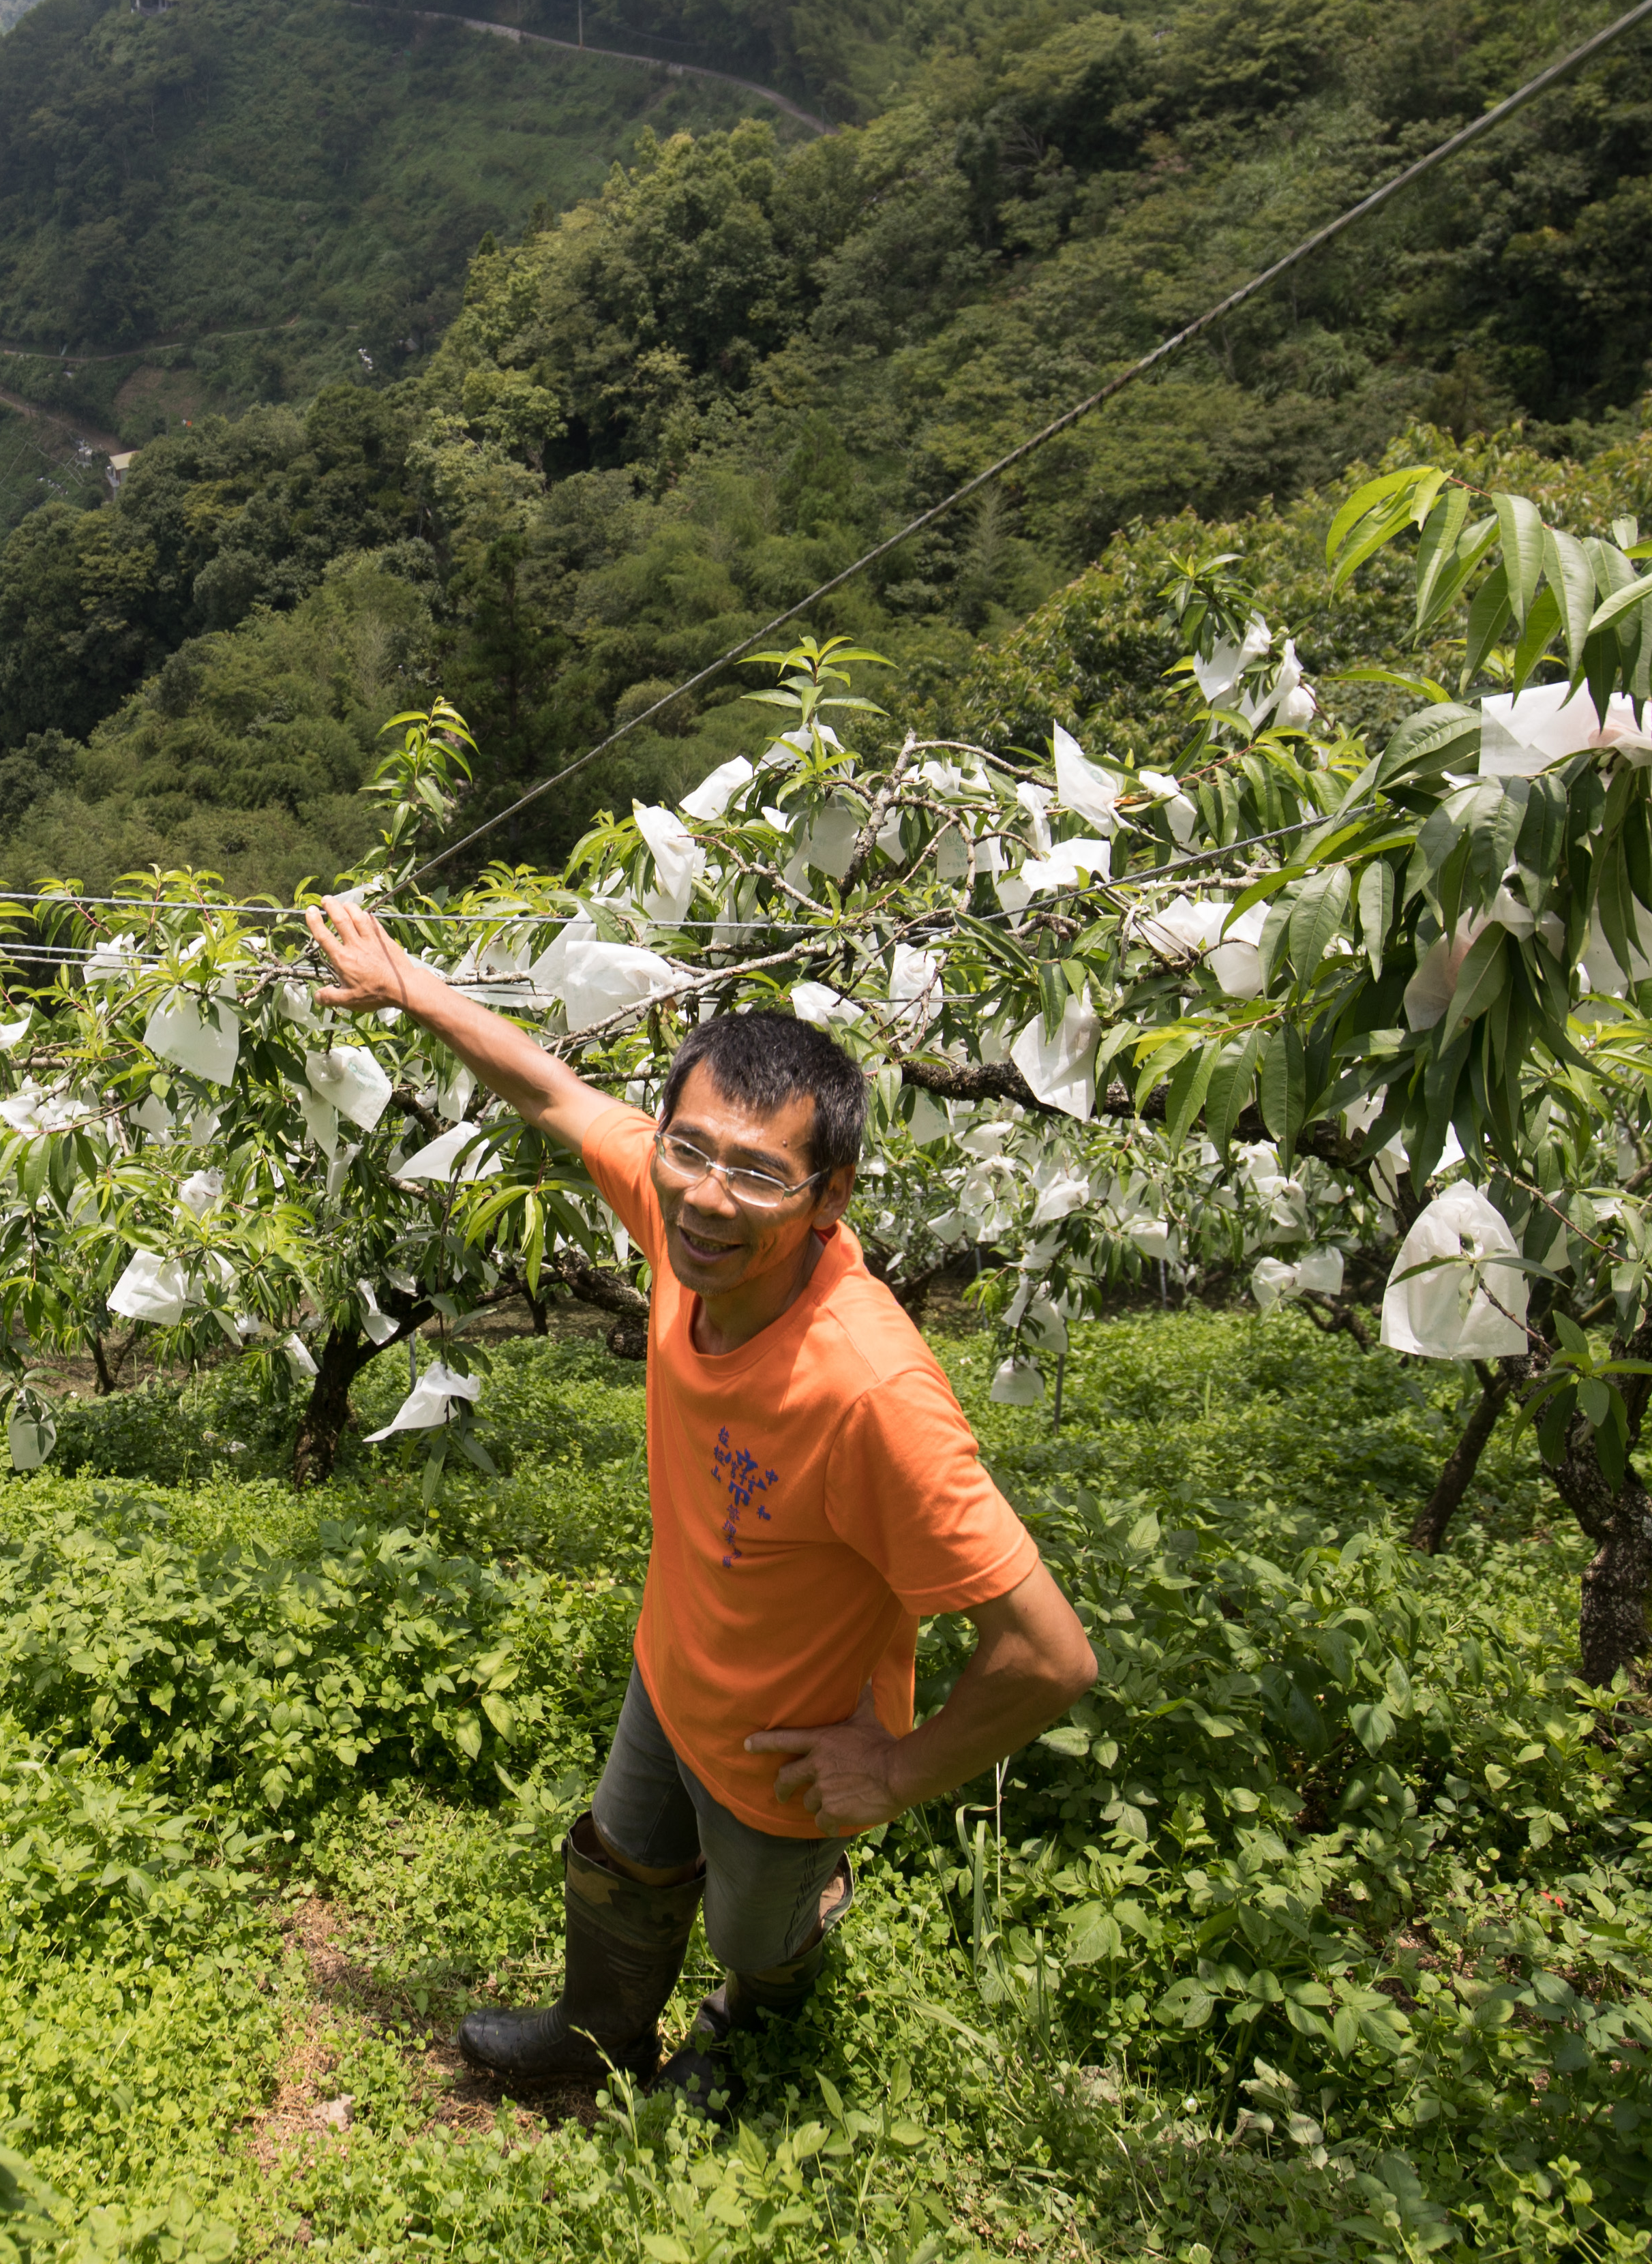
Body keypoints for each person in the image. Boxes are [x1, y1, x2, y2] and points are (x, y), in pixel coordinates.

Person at [304, 892, 1098, 2109]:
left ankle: (750, 2046)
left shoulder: (872, 1392)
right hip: (673, 1670)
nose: (708, 1198)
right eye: (690, 1149)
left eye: (759, 1176)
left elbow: (1049, 1656)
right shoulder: (681, 1212)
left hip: (788, 1747)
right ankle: (599, 2030)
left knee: (755, 1936)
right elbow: (558, 1093)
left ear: (829, 1199)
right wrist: (416, 990)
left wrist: (895, 1774)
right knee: (620, 1859)